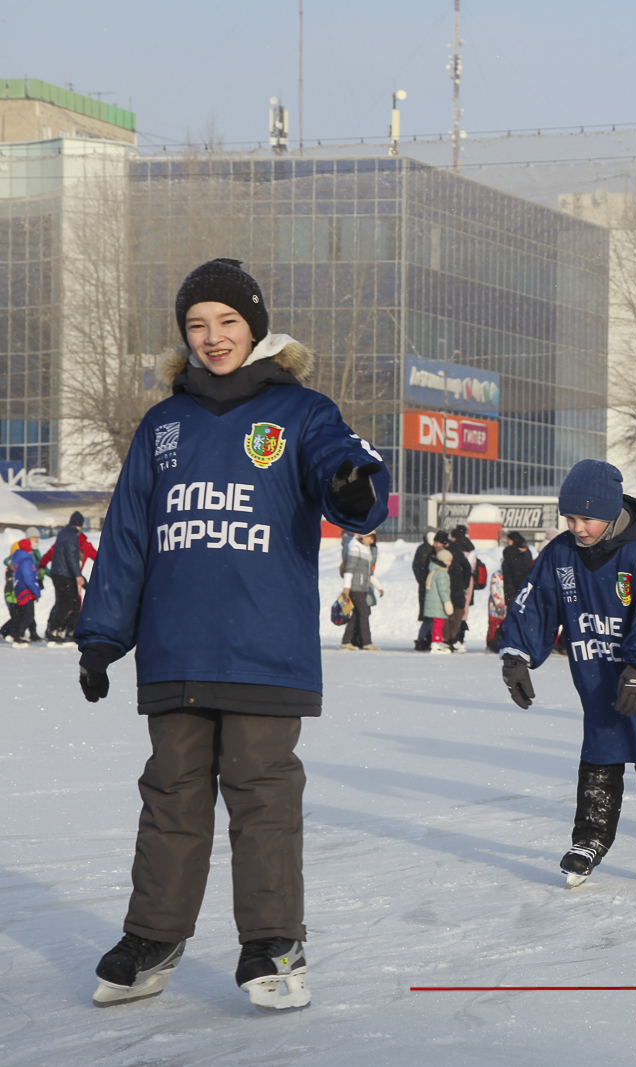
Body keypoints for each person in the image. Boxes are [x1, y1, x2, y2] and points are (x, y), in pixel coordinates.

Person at [77, 258, 389, 1009]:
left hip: (263, 648)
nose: (212, 337)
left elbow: (347, 472)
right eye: (197, 325)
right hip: (176, 648)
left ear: (254, 327)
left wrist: (351, 483)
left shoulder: (301, 412)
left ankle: (272, 943)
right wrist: (101, 635)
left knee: (261, 795)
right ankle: (153, 936)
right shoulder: (163, 425)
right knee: (171, 794)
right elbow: (128, 535)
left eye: (227, 322)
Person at [498, 459, 636, 884]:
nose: (577, 528)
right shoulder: (561, 554)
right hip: (598, 679)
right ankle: (590, 839)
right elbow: (535, 603)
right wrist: (517, 656)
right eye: (570, 518)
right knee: (600, 758)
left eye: (586, 519)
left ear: (610, 512)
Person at [45, 511, 96, 645]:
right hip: (65, 575)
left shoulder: (63, 533)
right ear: (79, 524)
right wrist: (78, 575)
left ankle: (65, 630)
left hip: (60, 573)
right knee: (69, 604)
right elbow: (71, 557)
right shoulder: (72, 536)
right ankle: (57, 630)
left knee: (69, 603)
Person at [339, 531, 382, 650]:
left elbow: (369, 574)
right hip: (355, 588)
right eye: (370, 538)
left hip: (363, 588)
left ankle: (346, 641)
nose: (371, 541)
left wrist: (379, 587)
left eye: (373, 539)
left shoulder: (366, 551)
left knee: (357, 614)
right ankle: (367, 642)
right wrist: (346, 588)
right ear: (363, 537)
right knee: (364, 612)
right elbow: (349, 570)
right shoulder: (355, 549)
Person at [5, 530, 43, 647]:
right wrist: (36, 591)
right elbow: (28, 578)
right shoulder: (26, 561)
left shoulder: (20, 559)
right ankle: (18, 635)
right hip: (26, 591)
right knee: (27, 615)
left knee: (24, 614)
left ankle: (17, 633)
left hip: (21, 590)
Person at [411, 533, 444, 651]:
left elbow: (416, 566)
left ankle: (424, 640)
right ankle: (424, 640)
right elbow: (418, 567)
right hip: (428, 587)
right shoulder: (428, 551)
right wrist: (424, 581)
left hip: (426, 586)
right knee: (430, 615)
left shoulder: (424, 549)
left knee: (429, 615)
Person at [444, 524, 475, 649]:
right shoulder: (470, 548)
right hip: (467, 583)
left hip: (455, 583)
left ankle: (452, 638)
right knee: (462, 610)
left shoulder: (453, 549)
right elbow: (469, 567)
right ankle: (459, 638)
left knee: (452, 611)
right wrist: (466, 583)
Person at [423, 549, 455, 652]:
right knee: (438, 623)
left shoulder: (434, 570)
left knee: (438, 623)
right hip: (438, 603)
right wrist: (447, 602)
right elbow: (443, 590)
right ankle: (436, 642)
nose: (449, 563)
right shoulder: (441, 573)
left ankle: (437, 641)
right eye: (448, 560)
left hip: (435, 602)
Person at [501, 530, 533, 604]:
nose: (507, 542)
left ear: (514, 541)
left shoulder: (511, 554)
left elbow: (513, 574)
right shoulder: (527, 552)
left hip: (512, 589)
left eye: (509, 540)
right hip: (524, 589)